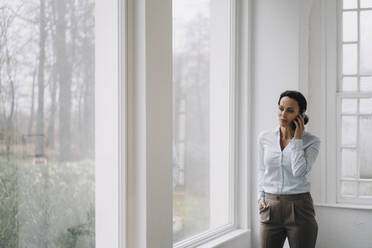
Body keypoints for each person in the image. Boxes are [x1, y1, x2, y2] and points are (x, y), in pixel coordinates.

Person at [257, 90, 321, 248]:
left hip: (299, 208)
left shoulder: (312, 142)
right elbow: (261, 169)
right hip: (270, 207)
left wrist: (297, 140)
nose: (283, 114)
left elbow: (299, 171)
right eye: (280, 108)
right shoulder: (264, 138)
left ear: (301, 115)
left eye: (290, 111)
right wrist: (260, 195)